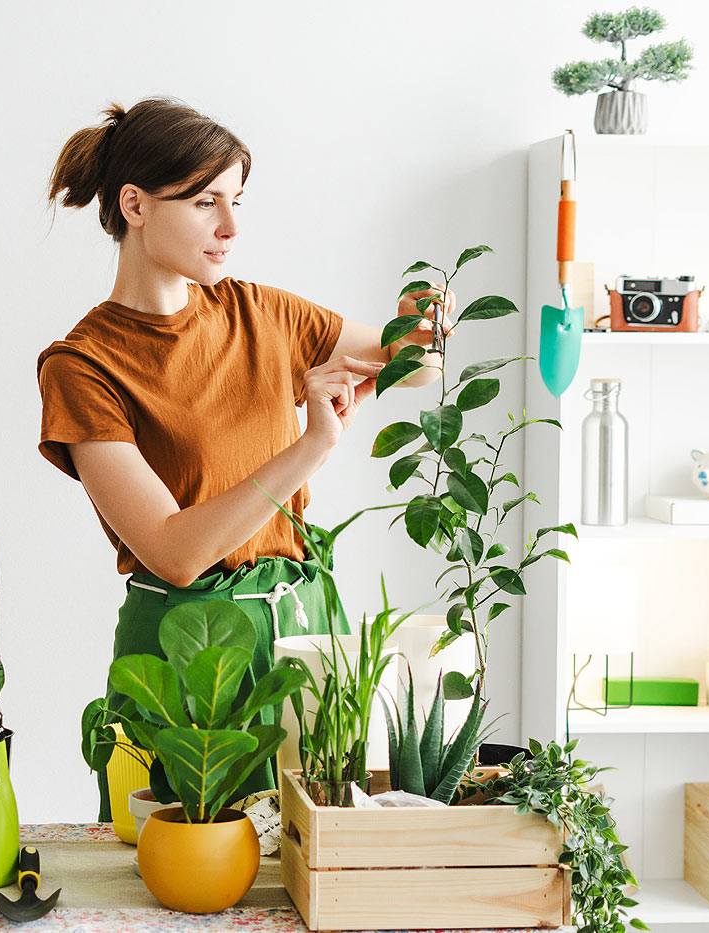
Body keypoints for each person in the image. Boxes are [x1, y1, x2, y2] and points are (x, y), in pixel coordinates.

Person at [36, 97, 453, 820]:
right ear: (134, 204)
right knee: (183, 875)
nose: (231, 227)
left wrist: (426, 318)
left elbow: (406, 364)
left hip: (303, 629)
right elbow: (173, 551)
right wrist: (313, 446)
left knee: (309, 864)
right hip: (187, 647)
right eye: (205, 202)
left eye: (236, 200)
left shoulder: (261, 313)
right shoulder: (83, 366)